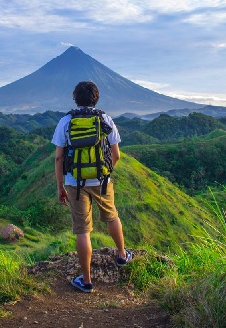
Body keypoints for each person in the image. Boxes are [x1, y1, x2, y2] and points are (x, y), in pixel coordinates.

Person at [51, 81, 131, 293]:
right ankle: (122, 255)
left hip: (74, 182)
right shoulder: (104, 119)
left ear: (75, 98)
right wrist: (104, 173)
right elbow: (116, 155)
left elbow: (59, 158)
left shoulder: (66, 121)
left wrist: (60, 186)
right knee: (112, 216)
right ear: (96, 98)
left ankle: (86, 281)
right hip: (102, 181)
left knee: (83, 230)